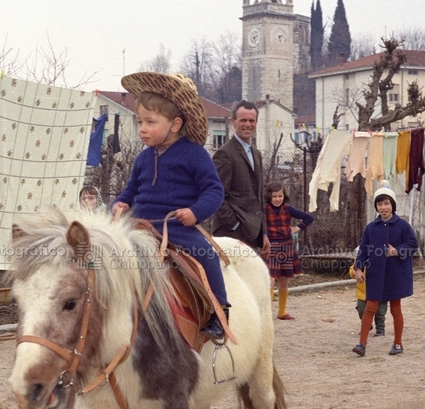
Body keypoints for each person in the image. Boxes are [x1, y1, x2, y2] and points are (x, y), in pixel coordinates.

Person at [112, 72, 229, 340]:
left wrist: (195, 212)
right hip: (139, 225)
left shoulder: (195, 154)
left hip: (175, 226)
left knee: (206, 254)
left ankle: (219, 311)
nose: (142, 128)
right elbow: (131, 189)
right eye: (140, 121)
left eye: (150, 122)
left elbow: (213, 190)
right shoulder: (143, 158)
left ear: (175, 124)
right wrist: (120, 203)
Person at [352, 180, 418, 356]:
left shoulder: (403, 225)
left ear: (392, 205)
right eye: (380, 204)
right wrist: (358, 268)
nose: (383, 207)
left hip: (395, 274)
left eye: (386, 203)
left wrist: (397, 251)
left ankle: (397, 344)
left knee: (396, 309)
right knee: (370, 307)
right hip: (375, 273)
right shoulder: (371, 228)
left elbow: (413, 244)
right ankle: (362, 344)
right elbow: (363, 250)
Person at [212, 101, 270, 259]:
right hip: (230, 235)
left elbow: (258, 198)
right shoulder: (225, 154)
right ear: (233, 122)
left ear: (256, 122)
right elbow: (217, 197)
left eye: (252, 121)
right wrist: (235, 226)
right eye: (243, 120)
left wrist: (263, 232)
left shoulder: (256, 154)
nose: (248, 124)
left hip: (252, 234)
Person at [264, 182, 313, 320]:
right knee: (270, 279)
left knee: (284, 280)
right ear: (269, 196)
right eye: (274, 196)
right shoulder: (264, 210)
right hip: (270, 247)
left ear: (284, 196)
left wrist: (298, 228)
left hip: (286, 246)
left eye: (280, 195)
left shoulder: (288, 209)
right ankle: (267, 314)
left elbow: (309, 218)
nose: (277, 199)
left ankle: (282, 311)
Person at [349, 257, 387, 336]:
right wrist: (354, 272)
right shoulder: (360, 257)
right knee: (361, 308)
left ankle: (380, 329)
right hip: (363, 292)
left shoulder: (382, 257)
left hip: (379, 290)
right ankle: (367, 325)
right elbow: (353, 269)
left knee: (380, 311)